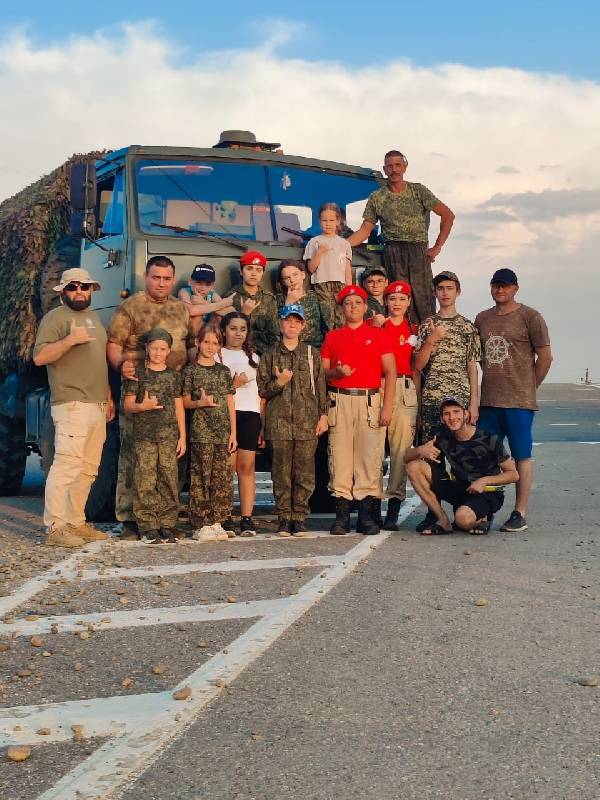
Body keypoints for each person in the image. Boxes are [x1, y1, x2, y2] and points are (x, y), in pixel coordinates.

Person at [107, 255, 191, 539]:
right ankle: (130, 517)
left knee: (169, 461)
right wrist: (122, 366)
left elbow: (188, 346)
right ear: (146, 276)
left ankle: (165, 518)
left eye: (167, 279)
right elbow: (114, 344)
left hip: (171, 391)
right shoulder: (131, 307)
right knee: (133, 457)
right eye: (156, 277)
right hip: (139, 389)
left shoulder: (181, 310)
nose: (162, 283)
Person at [33, 268, 115, 548]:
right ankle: (56, 527)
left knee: (89, 468)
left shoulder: (93, 317)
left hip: (96, 404)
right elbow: (40, 357)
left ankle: (75, 522)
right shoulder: (55, 318)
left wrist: (108, 397)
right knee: (67, 466)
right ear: (63, 291)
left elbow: (98, 362)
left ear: (93, 290)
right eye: (74, 287)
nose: (80, 292)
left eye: (85, 287)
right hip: (72, 404)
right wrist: (70, 340)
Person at [475, 268, 552, 532]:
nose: (500, 290)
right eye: (496, 285)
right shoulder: (482, 319)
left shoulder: (530, 317)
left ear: (515, 288)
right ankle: (483, 509)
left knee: (521, 457)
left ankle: (519, 512)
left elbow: (545, 358)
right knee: (486, 457)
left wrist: (530, 386)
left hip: (519, 402)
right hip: (489, 401)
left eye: (505, 286)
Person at [321, 285, 396, 535]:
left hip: (368, 400)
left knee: (369, 458)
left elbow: (391, 372)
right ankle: (341, 517)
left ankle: (366, 517)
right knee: (340, 458)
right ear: (341, 308)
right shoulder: (333, 336)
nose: (352, 307)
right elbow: (323, 372)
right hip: (340, 400)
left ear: (365, 307)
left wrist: (387, 407)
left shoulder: (378, 335)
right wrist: (337, 373)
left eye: (357, 303)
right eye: (347, 303)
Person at [347, 150, 455, 324]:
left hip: (418, 251)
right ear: (384, 169)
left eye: (398, 165)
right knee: (397, 300)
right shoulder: (378, 197)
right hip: (393, 252)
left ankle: (427, 341)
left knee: (423, 299)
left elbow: (448, 215)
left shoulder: (418, 190)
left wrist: (437, 247)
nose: (394, 170)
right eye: (390, 166)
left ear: (405, 167)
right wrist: (339, 245)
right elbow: (365, 231)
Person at [258, 304, 328, 536]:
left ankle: (299, 517)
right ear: (280, 323)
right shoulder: (269, 355)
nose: (292, 325)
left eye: (297, 321)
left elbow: (320, 388)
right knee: (280, 473)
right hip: (278, 424)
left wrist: (323, 416)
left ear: (303, 325)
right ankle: (283, 518)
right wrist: (280, 382)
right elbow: (262, 390)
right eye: (288, 320)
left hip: (306, 423)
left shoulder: (311, 354)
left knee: (305, 473)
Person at [405, 395, 519, 535]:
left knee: (463, 520)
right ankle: (443, 521)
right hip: (460, 488)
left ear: (466, 414)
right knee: (414, 466)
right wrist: (420, 450)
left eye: (456, 411)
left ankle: (482, 518)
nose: (452, 417)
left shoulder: (489, 438)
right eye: (447, 414)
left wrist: (484, 481)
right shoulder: (441, 435)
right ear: (442, 419)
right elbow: (406, 457)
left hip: (487, 492)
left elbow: (513, 474)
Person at [122, 328, 186, 544]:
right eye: (154, 348)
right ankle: (148, 525)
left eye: (163, 349)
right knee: (146, 479)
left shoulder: (173, 376)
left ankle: (167, 524)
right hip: (145, 436)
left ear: (168, 351)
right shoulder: (137, 373)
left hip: (169, 435)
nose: (158, 353)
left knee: (168, 478)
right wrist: (143, 406)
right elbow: (128, 404)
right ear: (147, 348)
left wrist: (182, 436)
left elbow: (179, 406)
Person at [182, 324, 237, 542]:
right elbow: (184, 400)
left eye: (215, 343)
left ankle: (216, 520)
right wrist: (200, 402)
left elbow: (230, 401)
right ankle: (200, 522)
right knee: (200, 478)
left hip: (222, 433)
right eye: (206, 342)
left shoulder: (223, 372)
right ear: (197, 343)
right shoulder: (191, 371)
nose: (210, 346)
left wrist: (233, 433)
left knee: (221, 478)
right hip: (201, 432)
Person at [414, 271, 481, 445]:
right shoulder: (427, 325)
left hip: (460, 400)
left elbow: (472, 367)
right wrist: (430, 341)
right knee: (431, 454)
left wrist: (474, 403)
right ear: (435, 292)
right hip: (432, 400)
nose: (445, 293)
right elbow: (418, 366)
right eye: (441, 288)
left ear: (458, 292)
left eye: (450, 288)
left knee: (462, 452)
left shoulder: (468, 327)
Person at [219, 312, 264, 537]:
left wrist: (261, 424)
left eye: (242, 329)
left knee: (246, 467)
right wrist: (233, 384)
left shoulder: (254, 358)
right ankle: (225, 515)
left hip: (250, 414)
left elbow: (260, 394)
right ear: (224, 330)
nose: (237, 333)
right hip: (228, 414)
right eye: (233, 328)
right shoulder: (218, 355)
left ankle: (247, 518)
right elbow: (217, 390)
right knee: (228, 467)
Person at [380, 281, 420, 531]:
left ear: (408, 302)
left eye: (402, 298)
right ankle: (371, 504)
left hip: (405, 389)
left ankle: (393, 506)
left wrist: (418, 396)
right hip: (380, 385)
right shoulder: (378, 327)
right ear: (386, 301)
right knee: (373, 450)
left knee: (400, 451)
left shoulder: (413, 330)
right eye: (392, 298)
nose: (397, 303)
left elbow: (416, 368)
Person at [303, 202, 352, 331]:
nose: (328, 223)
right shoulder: (314, 242)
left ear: (338, 221)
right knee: (326, 318)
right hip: (321, 285)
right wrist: (320, 252)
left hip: (340, 285)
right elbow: (311, 268)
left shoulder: (344, 244)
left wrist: (349, 290)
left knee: (342, 318)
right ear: (319, 221)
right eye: (324, 220)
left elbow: (347, 269)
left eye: (331, 220)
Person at [221, 250, 279, 355]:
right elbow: (224, 333)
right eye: (249, 268)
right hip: (237, 352)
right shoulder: (229, 297)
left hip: (264, 353)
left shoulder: (269, 298)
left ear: (263, 273)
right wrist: (243, 314)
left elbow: (275, 334)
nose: (253, 274)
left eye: (258, 270)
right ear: (241, 270)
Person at [276, 259, 325, 348]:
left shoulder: (314, 296)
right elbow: (277, 328)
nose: (292, 280)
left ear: (302, 275)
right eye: (287, 278)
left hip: (316, 346)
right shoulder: (279, 299)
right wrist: (288, 302)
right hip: (291, 346)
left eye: (295, 275)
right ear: (283, 282)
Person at [178, 264, 231, 336]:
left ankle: (213, 340)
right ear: (190, 282)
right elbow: (191, 311)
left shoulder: (212, 294)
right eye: (199, 282)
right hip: (189, 331)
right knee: (197, 316)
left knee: (218, 316)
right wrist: (223, 304)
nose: (203, 288)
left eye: (208, 284)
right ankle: (194, 344)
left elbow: (231, 313)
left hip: (208, 330)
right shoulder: (184, 292)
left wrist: (203, 302)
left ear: (212, 286)